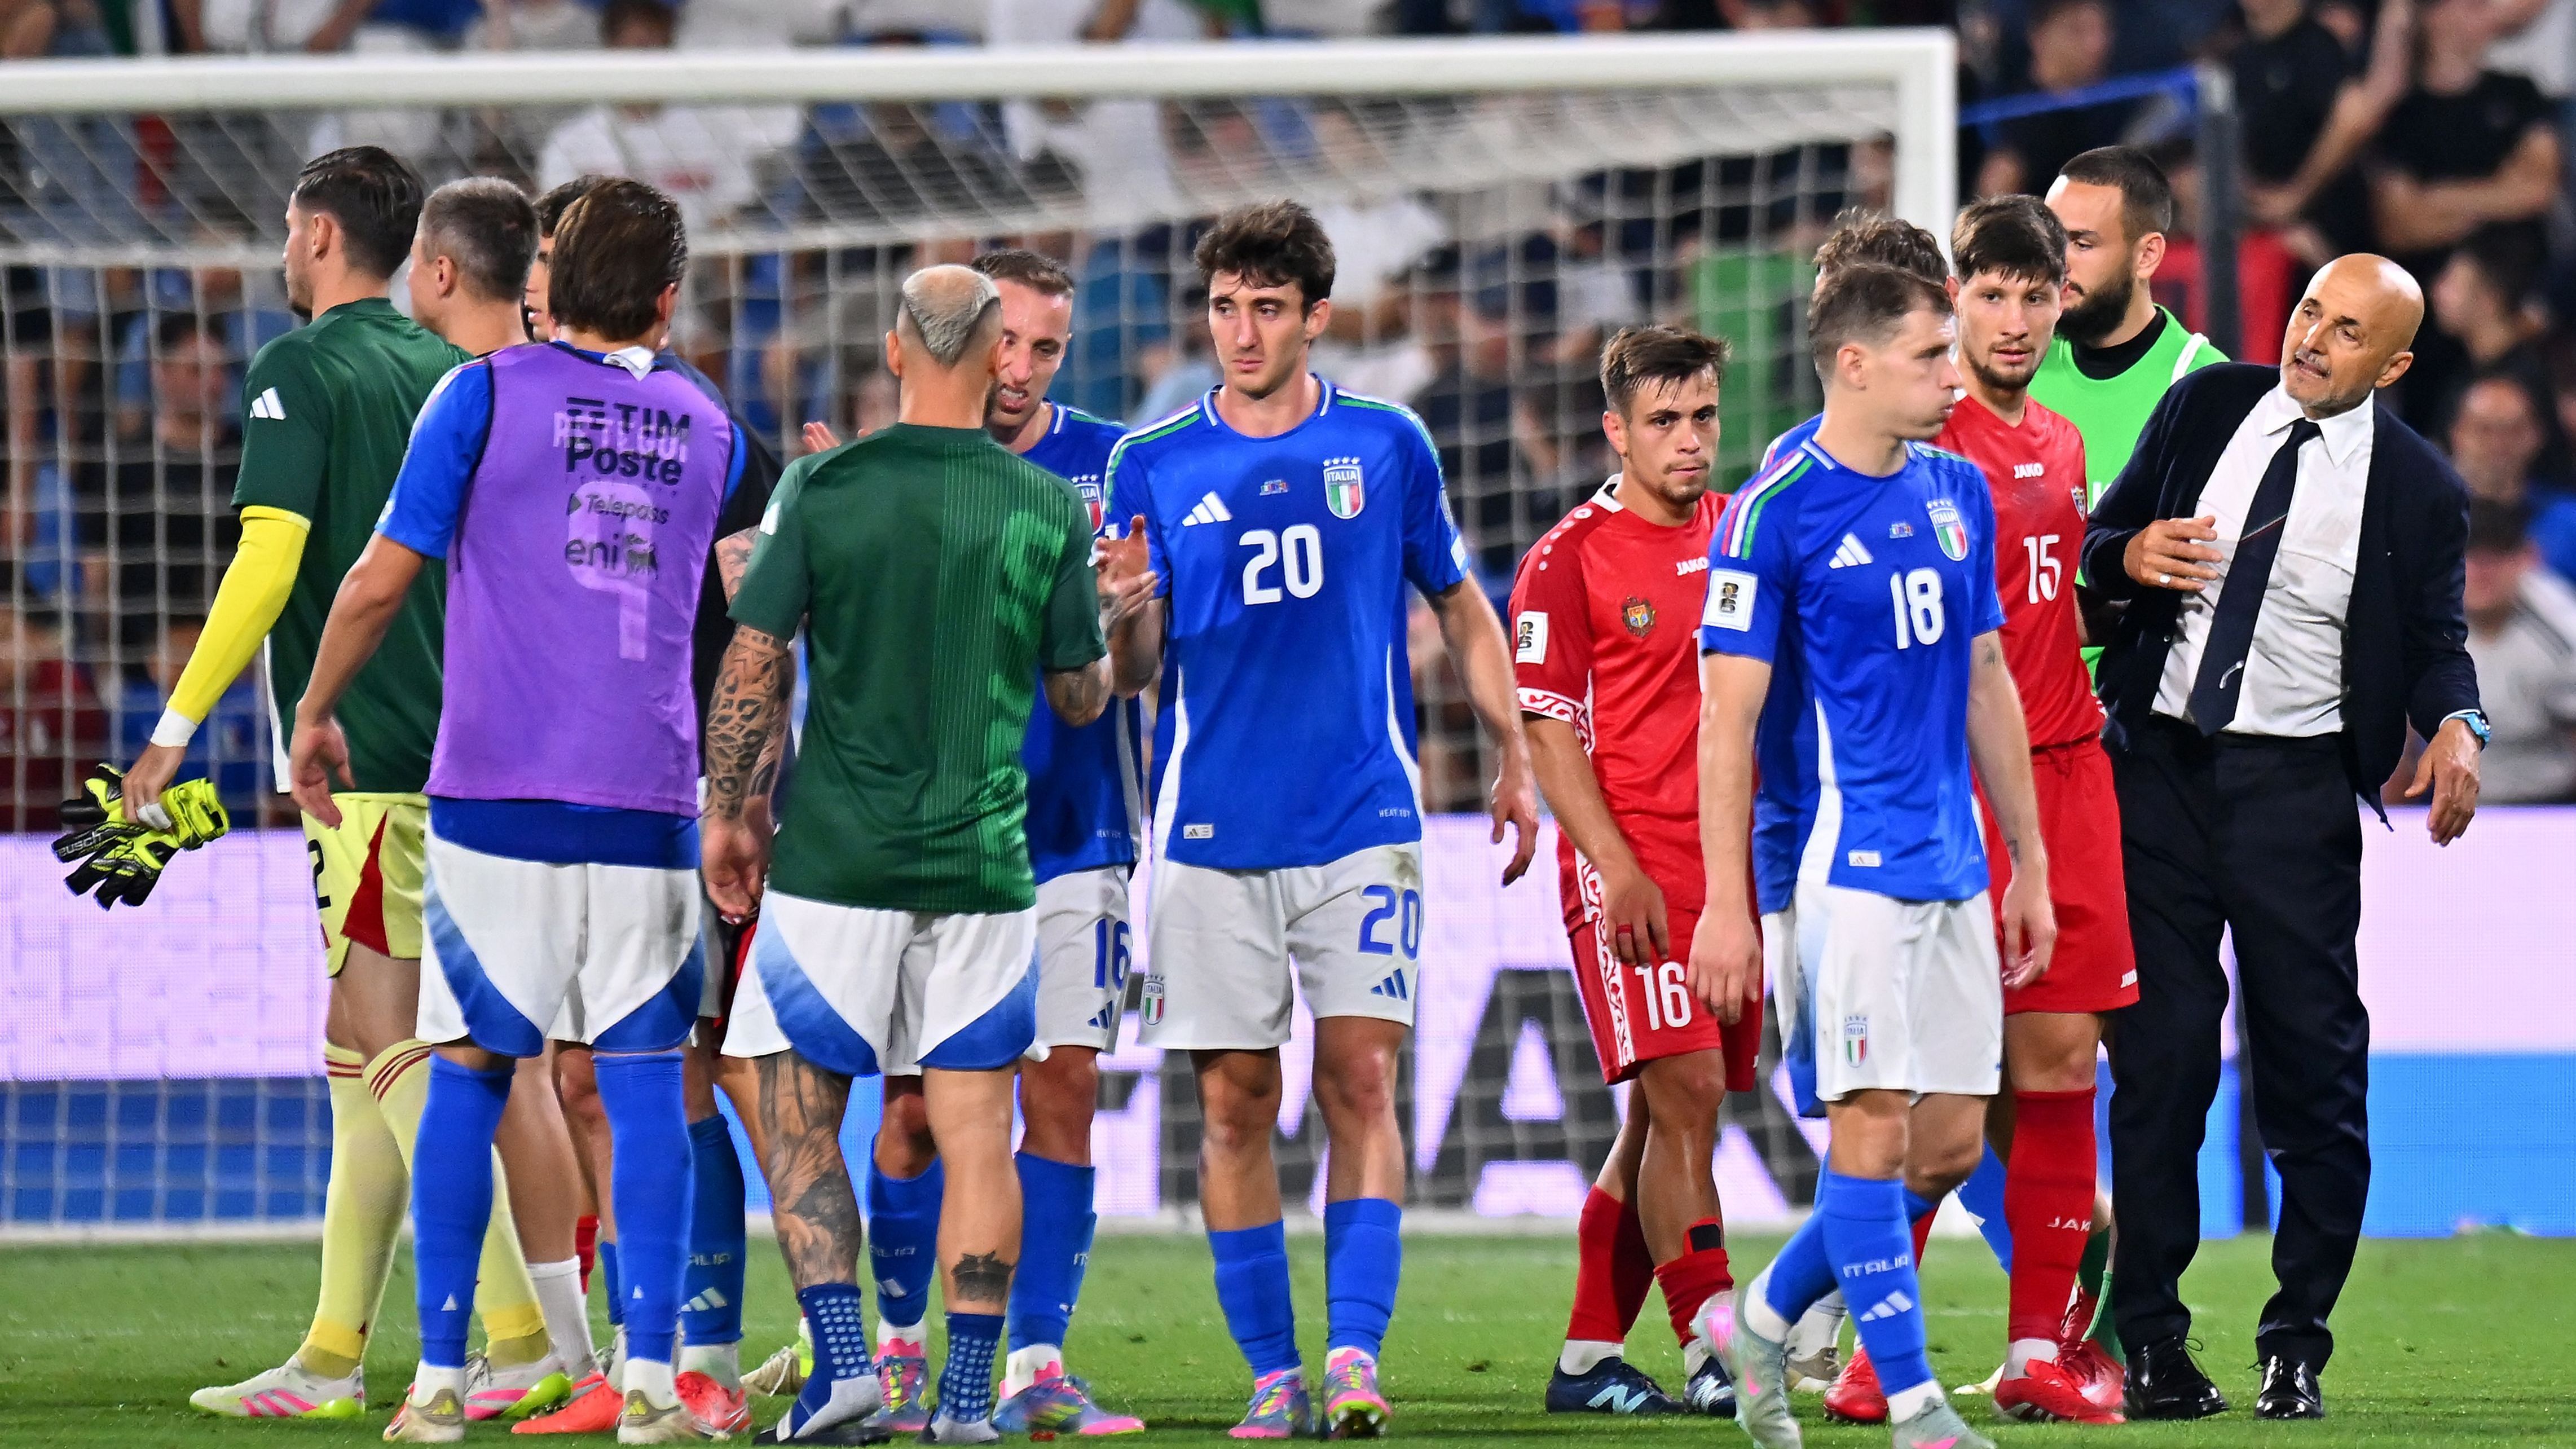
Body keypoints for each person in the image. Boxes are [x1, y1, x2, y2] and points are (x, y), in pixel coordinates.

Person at [287, 177, 746, 1445]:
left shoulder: (481, 395)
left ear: (549, 275)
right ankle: (651, 1379)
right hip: (650, 795)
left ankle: (441, 1381)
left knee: (476, 1070)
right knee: (648, 1086)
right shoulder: (711, 425)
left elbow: (383, 581)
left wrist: (316, 706)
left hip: (495, 797)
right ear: (663, 296)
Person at [1102, 199, 1539, 1439]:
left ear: (1315, 318)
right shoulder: (1153, 462)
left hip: (1359, 816)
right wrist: (1126, 609)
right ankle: (1270, 1373)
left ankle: (1352, 1356)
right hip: (1208, 832)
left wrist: (1512, 750)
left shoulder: (1389, 445)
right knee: (1236, 1101)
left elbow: (1458, 603)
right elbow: (1133, 675)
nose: (1240, 333)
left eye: (1266, 309)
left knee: (1360, 1079)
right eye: (1225, 307)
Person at [153, 148, 569, 1427]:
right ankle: (333, 1353)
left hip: (375, 767)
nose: (284, 253)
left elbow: (271, 560)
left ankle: (518, 1336)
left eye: (289, 231)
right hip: (480, 758)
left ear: (321, 235)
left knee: (396, 1040)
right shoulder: (452, 371)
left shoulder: (304, 368)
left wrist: (174, 734)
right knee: (357, 1049)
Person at [707, 263, 1122, 1446]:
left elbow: (754, 659)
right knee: (979, 1128)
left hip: (837, 857)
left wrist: (728, 809)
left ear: (895, 352)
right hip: (987, 867)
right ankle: (965, 1399)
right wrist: (1114, 611)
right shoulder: (1048, 509)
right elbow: (1084, 698)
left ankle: (846, 1366)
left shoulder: (822, 487)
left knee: (791, 1106)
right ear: (1000, 357)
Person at [2080, 254, 2485, 1421]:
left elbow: (2436, 639)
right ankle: (2149, 1340)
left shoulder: (2418, 490)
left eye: (2347, 330)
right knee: (2161, 1069)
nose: (2312, 338)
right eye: (2310, 310)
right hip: (2154, 771)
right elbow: (2100, 546)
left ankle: (2294, 1339)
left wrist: (2458, 721)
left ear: (2393, 363)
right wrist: (2130, 556)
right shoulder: (2205, 404)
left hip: (2293, 797)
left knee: (2314, 1081)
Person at [1692, 261, 2057, 1449]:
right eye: (1929, 356)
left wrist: (2031, 867)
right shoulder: (1775, 509)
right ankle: (1914, 1406)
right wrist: (1726, 909)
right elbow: (1726, 724)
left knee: (1948, 1145)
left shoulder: (1957, 490)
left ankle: (1759, 1318)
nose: (1955, 375)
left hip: (1957, 869)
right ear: (1854, 364)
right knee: (1870, 1127)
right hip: (1849, 875)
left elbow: (1990, 681)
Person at [515, 174, 791, 1439]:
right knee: (587, 1077)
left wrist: (736, 787)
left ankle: (703, 1355)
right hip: (571, 787)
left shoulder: (702, 431)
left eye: (552, 259)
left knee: (690, 1075)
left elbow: (760, 622)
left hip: (675, 792)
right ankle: (651, 1359)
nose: (538, 281)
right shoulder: (519, 413)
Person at [1512, 325, 1754, 1421]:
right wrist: (1616, 870)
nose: (1690, 439)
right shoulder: (1569, 558)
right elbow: (1550, 735)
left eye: (1703, 415)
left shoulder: (1747, 531)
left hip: (1732, 874)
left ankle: (1585, 1357)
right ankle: (1716, 1347)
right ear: (1617, 430)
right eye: (1664, 420)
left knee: (1661, 1123)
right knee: (1688, 1094)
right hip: (1636, 870)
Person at [2029, 146, 2228, 510]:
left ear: (2146, 255)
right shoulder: (2020, 359)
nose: (2057, 263)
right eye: (2049, 241)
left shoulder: (2204, 385)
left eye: (2082, 244)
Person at [2459, 497, 2576, 803]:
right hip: (2447, 800)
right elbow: (2396, 742)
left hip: (2552, 800)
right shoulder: (2418, 625)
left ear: (2529, 557)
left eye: (2498, 554)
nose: (2483, 571)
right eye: (2469, 555)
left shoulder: (2563, 630)